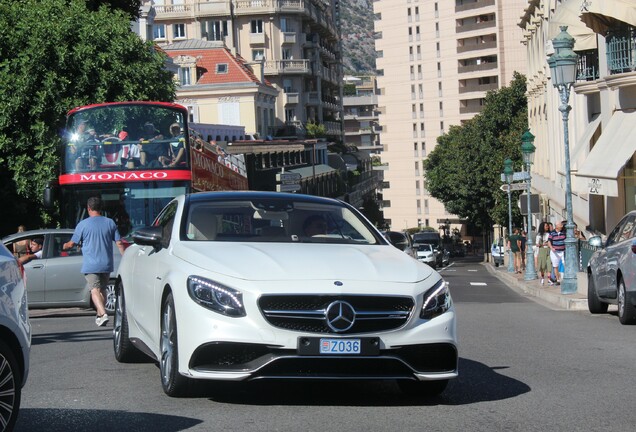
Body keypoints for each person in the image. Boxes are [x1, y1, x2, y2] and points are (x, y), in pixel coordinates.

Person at [63, 197, 125, 327]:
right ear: (100, 208)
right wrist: (124, 257)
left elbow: (71, 243)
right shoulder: (110, 223)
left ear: (88, 208)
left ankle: (102, 314)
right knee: (102, 289)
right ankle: (99, 315)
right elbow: (119, 243)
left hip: (91, 264)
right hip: (107, 263)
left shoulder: (83, 225)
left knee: (94, 290)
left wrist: (65, 245)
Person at [548, 220, 566, 286]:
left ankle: (565, 277)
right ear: (557, 226)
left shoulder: (564, 232)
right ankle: (558, 279)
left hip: (562, 251)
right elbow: (549, 241)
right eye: (560, 224)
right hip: (555, 252)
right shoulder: (552, 233)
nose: (562, 225)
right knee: (555, 266)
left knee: (565, 264)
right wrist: (551, 248)